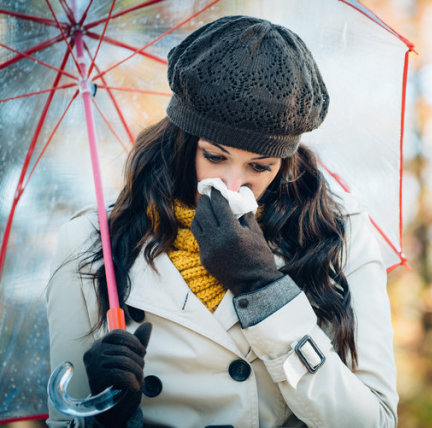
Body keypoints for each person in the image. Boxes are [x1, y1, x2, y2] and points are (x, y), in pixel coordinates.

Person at [46, 15, 398, 428]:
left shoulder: (339, 232)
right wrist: (105, 417)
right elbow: (63, 420)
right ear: (183, 141)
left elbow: (374, 420)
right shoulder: (92, 241)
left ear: (284, 161)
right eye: (214, 156)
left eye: (260, 166)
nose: (233, 183)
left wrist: (265, 292)